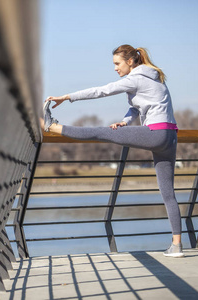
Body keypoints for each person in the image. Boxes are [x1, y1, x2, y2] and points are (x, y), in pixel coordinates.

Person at [42, 44, 183, 257]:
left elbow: (102, 90)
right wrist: (126, 121)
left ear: (130, 61)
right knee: (168, 193)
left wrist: (67, 96)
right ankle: (177, 246)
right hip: (170, 136)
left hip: (155, 133)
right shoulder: (154, 78)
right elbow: (137, 108)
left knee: (103, 133)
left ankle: (52, 127)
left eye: (117, 64)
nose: (115, 68)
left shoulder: (135, 78)